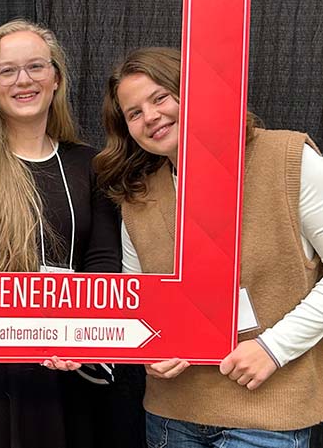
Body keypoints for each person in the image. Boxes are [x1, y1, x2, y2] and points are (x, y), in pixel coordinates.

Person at [94, 46, 323, 448]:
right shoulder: (138, 198)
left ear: (194, 92)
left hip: (268, 418)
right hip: (172, 417)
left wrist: (273, 348)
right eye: (134, 113)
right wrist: (149, 347)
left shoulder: (288, 160)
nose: (151, 116)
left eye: (161, 97)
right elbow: (142, 302)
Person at [0, 19, 123, 448]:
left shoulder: (90, 166)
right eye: (7, 70)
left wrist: (83, 342)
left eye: (35, 66)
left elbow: (104, 267)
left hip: (68, 379)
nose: (23, 80)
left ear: (56, 78)